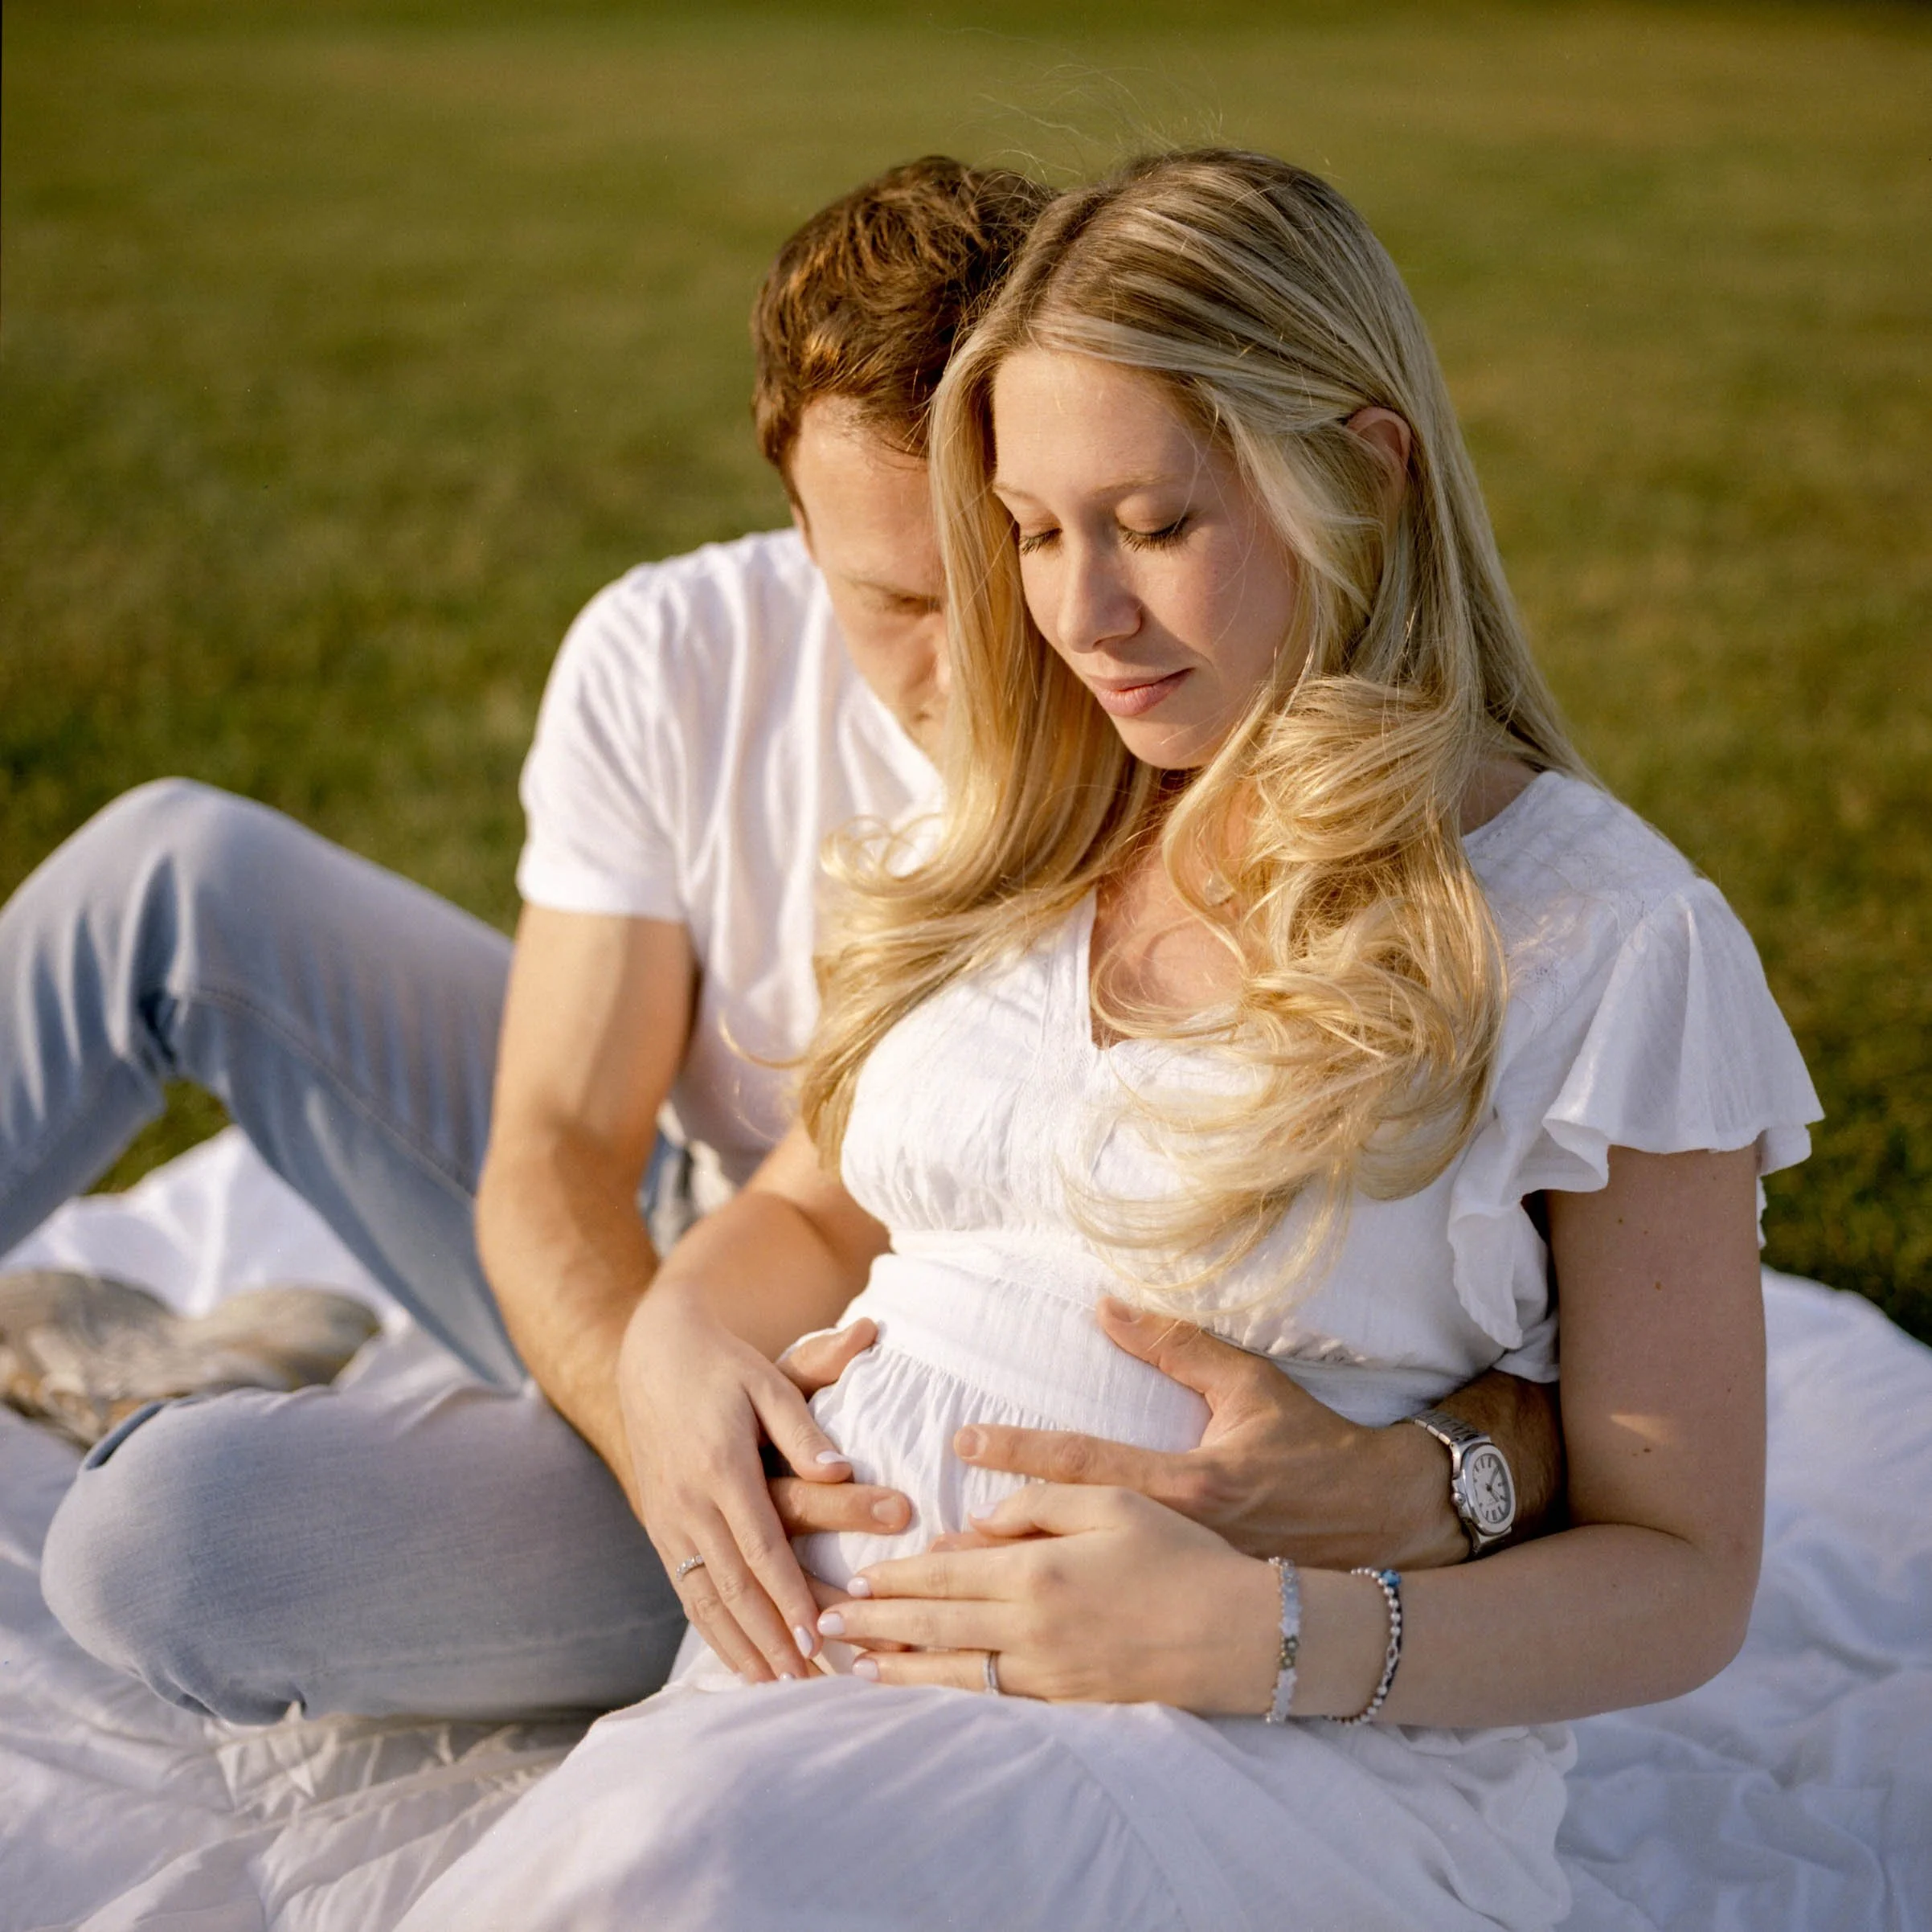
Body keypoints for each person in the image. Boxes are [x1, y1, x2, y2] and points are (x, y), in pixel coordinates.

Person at [390, 149, 1822, 1931]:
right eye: (1032, 531)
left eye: (1151, 525)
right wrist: (678, 1331)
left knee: (677, 1877)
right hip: (807, 1685)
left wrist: (1263, 1633)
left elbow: (1681, 1571)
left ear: (1358, 482)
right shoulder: (1019, 821)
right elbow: (820, 1209)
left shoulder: (1600, 935)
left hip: (1230, 1756)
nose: (1079, 615)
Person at [13, 158, 1557, 1729]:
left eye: (1000, 556)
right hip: (701, 1288)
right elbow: (553, 1139)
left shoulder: (1191, 686)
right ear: (794, 531)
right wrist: (661, 1414)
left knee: (157, 1539)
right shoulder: (675, 649)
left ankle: (230, 1391)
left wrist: (1420, 1482)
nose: (990, 659)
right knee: (172, 869)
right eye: (894, 595)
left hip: (893, 1451)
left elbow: (1562, 1298)